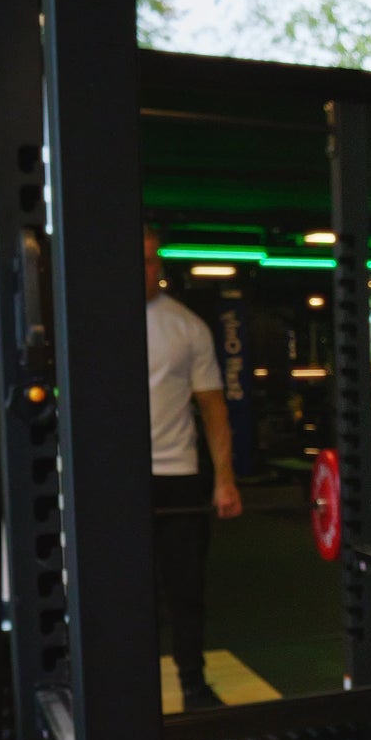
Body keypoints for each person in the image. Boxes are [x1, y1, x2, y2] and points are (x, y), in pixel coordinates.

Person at [144, 228, 243, 711]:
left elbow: (213, 409)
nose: (149, 271)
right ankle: (124, 691)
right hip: (112, 481)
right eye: (140, 261)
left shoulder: (187, 327)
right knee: (120, 592)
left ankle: (193, 687)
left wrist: (224, 479)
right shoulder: (88, 321)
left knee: (186, 591)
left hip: (178, 475)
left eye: (153, 262)